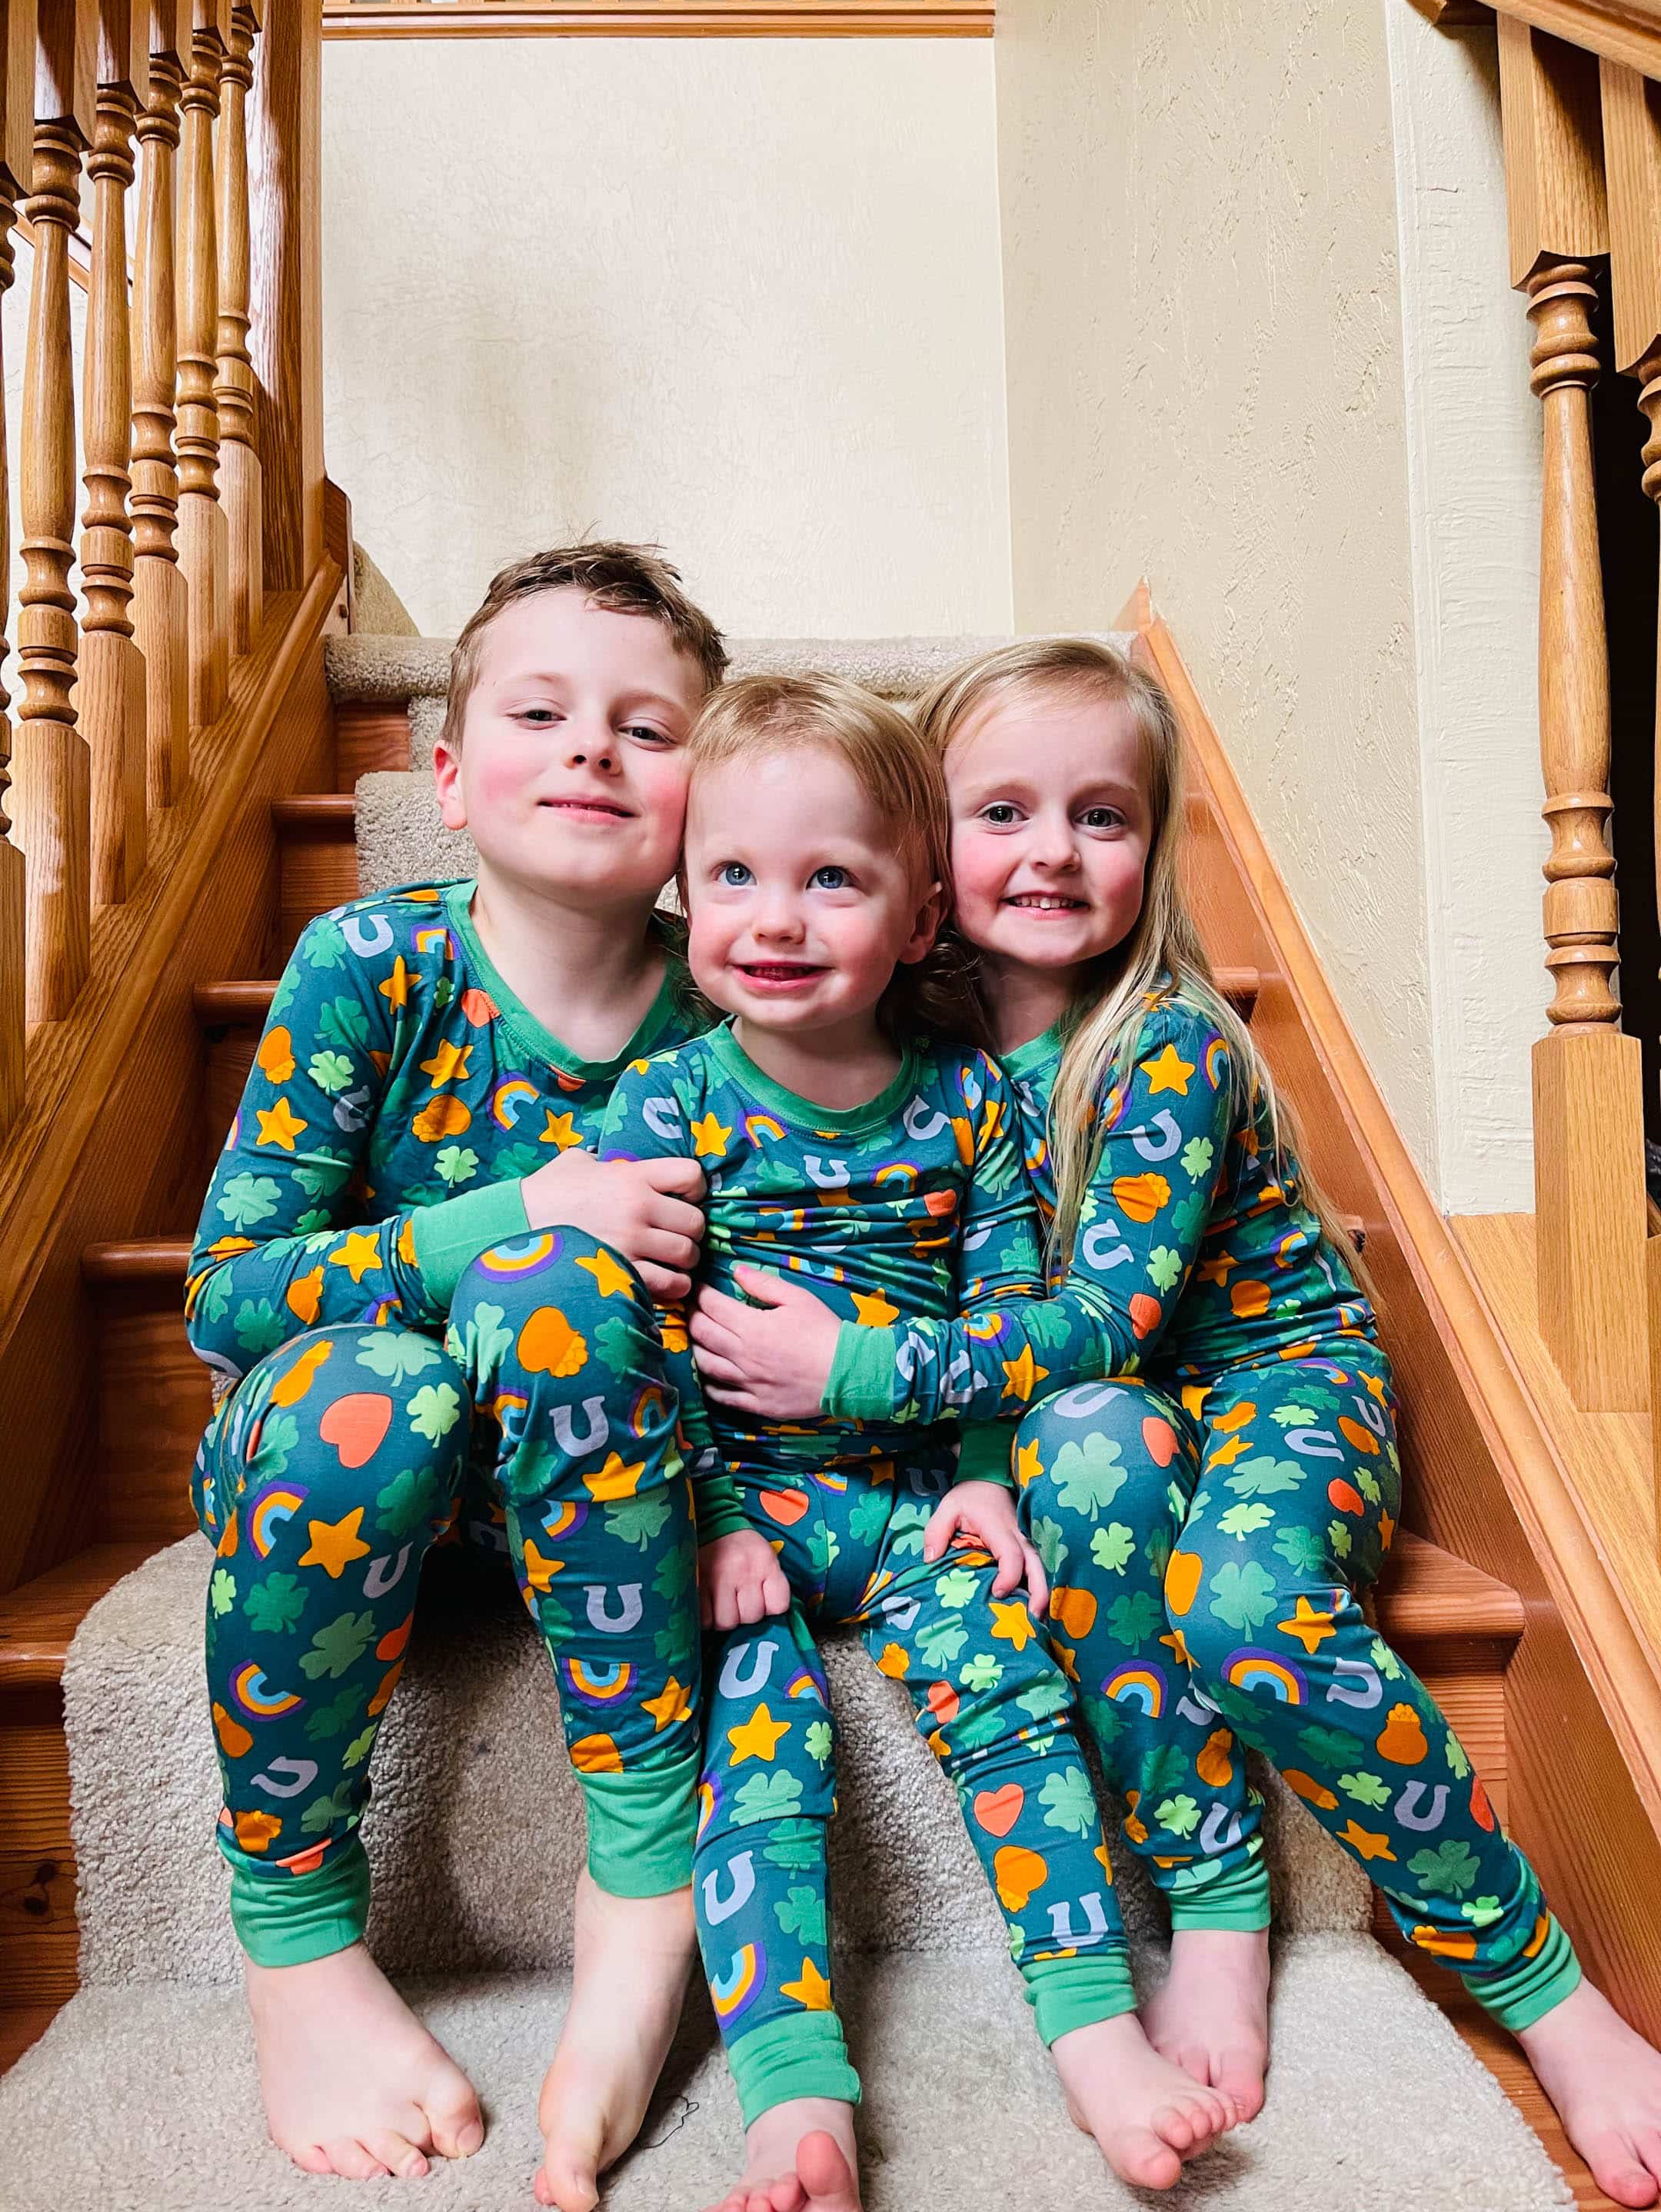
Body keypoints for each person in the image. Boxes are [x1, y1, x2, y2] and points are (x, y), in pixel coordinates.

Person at [687, 637, 1661, 2210]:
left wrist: (852, 1373)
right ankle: (1212, 1877)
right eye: (1002, 811)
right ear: (923, 860)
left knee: (1246, 1604)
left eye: (1104, 815)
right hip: (1096, 1418)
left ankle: (1539, 1986)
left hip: (1282, 1381)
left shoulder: (1167, 1041)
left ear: (1156, 843)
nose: (1054, 852)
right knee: (1087, 1448)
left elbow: (1100, 1320)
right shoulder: (901, 1036)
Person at [598, 670, 1245, 2212]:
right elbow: (630, 1334)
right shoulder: (665, 1103)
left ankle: (1096, 2036)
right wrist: (708, 1519)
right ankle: (793, 2100)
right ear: (683, 900)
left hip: (911, 1509)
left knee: (1015, 1688)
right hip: (737, 1518)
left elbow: (1003, 1302)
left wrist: (985, 1481)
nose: (776, 918)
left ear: (918, 918)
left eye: (832, 879)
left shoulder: (968, 1104)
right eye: (733, 875)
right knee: (760, 1760)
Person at [185, 544, 724, 2207]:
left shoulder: (740, 1002)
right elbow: (229, 1297)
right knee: (393, 1386)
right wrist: (519, 1212)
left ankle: (643, 1885)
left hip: (616, 1475)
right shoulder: (366, 966)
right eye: (541, 713)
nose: (592, 748)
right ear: (444, 778)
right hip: (346, 1467)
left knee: (559, 1301)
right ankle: (295, 1934)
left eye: (649, 727)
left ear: (708, 796)